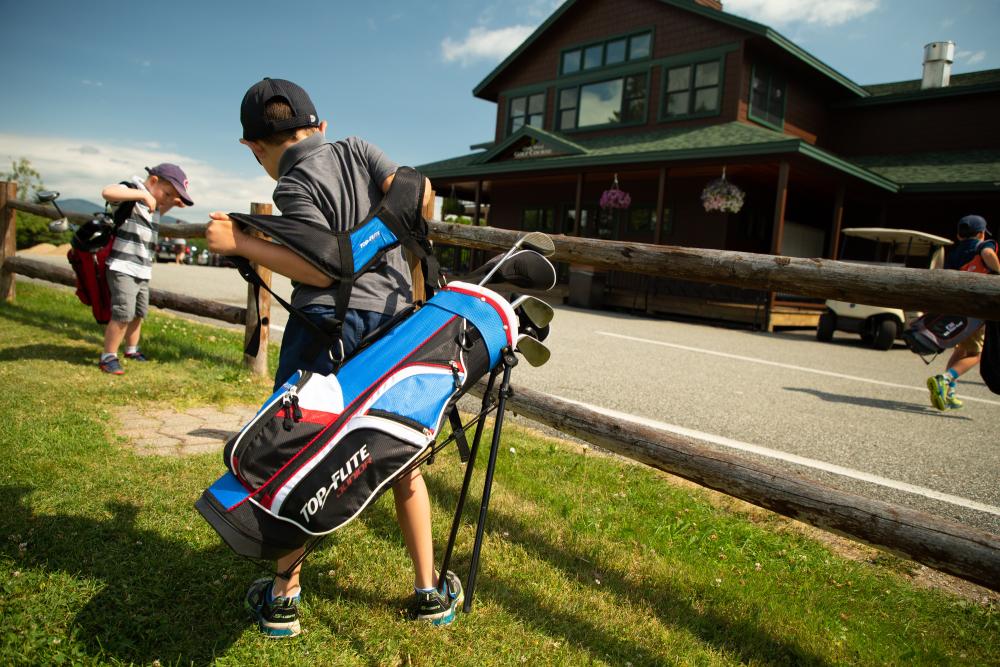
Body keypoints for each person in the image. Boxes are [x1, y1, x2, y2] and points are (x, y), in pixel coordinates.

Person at [205, 77, 458, 638]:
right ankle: (428, 590)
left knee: (296, 451)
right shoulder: (360, 149)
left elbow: (321, 270)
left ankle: (284, 598)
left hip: (325, 330)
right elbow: (420, 195)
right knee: (401, 452)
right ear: (321, 124)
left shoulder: (293, 186)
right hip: (394, 325)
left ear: (254, 149)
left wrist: (242, 244)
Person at [99, 164, 193, 374]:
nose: (167, 200)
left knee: (138, 312)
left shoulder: (153, 205)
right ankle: (108, 355)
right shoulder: (132, 193)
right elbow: (107, 192)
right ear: (153, 181)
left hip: (142, 269)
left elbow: (155, 209)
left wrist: (170, 203)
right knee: (123, 312)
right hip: (123, 266)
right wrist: (142, 194)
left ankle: (132, 348)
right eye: (167, 193)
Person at [927, 214, 999, 410]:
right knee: (976, 354)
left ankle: (948, 391)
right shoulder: (983, 246)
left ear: (959, 235)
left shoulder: (955, 252)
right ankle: (945, 378)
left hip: (957, 308)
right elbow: (988, 256)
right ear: (982, 234)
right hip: (975, 311)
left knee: (961, 350)